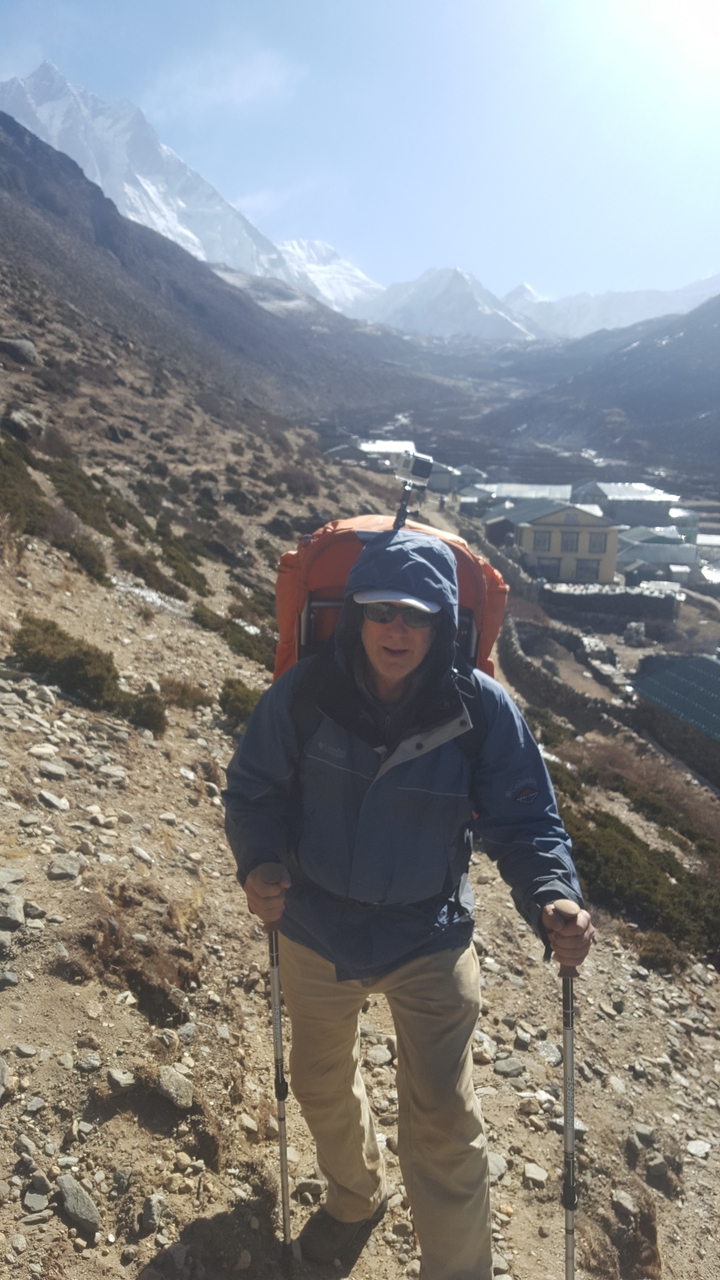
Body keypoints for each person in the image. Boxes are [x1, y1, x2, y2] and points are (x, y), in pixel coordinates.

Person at [224, 529, 594, 1280]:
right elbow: (253, 790)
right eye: (383, 611)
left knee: (446, 1123)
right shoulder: (304, 694)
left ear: (443, 626)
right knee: (320, 1081)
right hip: (312, 922)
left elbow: (525, 821)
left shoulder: (482, 709)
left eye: (418, 616)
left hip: (428, 931)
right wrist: (259, 862)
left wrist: (553, 894)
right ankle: (353, 1200)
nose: (399, 630)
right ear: (356, 615)